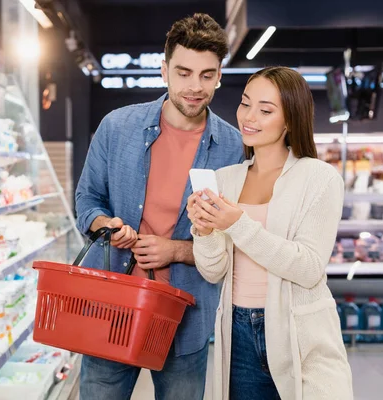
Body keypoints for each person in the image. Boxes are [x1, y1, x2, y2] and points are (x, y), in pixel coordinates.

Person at [75, 13, 244, 400]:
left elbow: (236, 235)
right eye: (184, 73)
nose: (195, 87)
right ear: (164, 70)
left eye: (207, 75)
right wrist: (107, 225)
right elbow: (87, 200)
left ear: (219, 75)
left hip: (186, 318)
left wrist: (178, 251)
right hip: (111, 308)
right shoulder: (117, 127)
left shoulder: (234, 148)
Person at [187, 66, 353, 400]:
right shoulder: (225, 179)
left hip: (301, 332)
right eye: (245, 103)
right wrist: (204, 232)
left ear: (290, 119)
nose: (249, 117)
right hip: (237, 334)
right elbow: (213, 271)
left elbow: (307, 268)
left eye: (265, 110)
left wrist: (236, 223)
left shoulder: (319, 178)